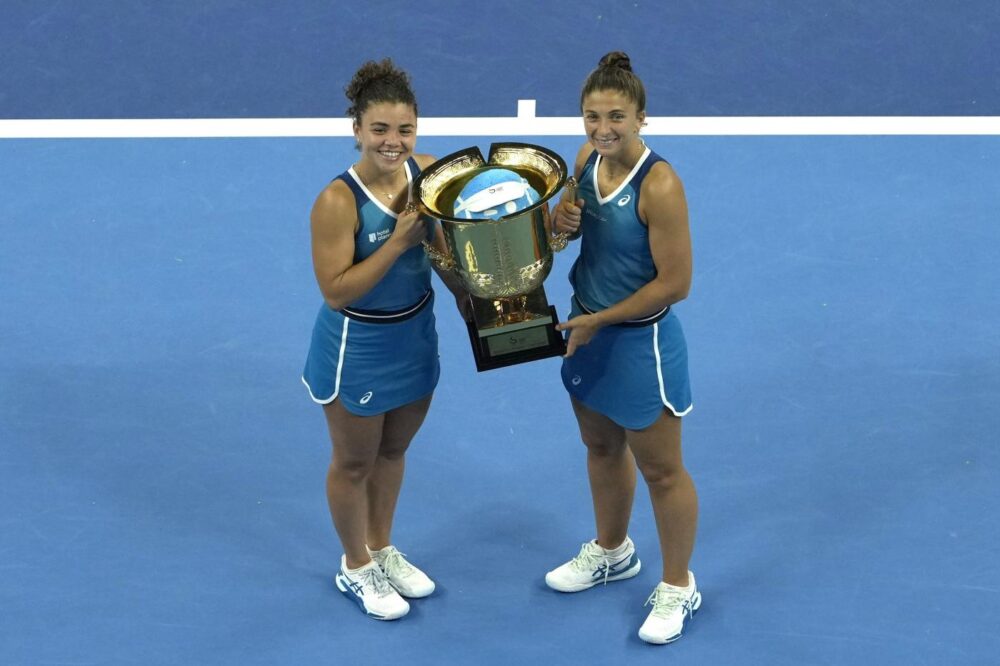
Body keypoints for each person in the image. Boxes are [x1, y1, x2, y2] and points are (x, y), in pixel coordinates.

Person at [301, 58, 465, 621]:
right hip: (360, 350)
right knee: (353, 464)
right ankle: (355, 565)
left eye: (404, 130)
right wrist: (395, 244)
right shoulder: (337, 202)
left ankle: (381, 546)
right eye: (379, 130)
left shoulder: (427, 175)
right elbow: (337, 291)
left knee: (393, 450)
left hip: (416, 336)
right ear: (357, 131)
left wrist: (476, 307)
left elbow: (442, 253)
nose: (393, 143)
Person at [545, 51, 700, 645]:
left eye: (616, 117)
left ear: (642, 118)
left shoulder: (660, 185)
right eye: (591, 116)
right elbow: (579, 235)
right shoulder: (587, 161)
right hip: (587, 329)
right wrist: (563, 221)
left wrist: (598, 320)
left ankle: (678, 585)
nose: (602, 129)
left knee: (662, 471)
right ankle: (613, 551)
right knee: (601, 445)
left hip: (640, 343)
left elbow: (675, 284)